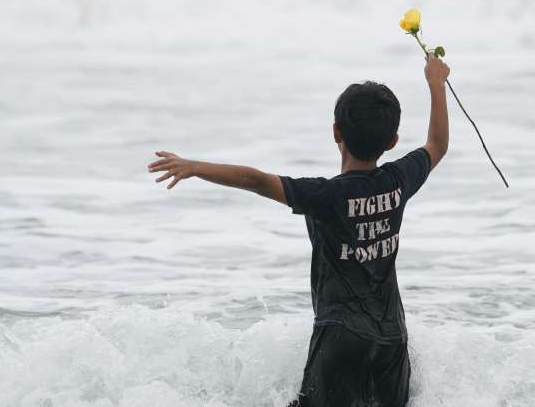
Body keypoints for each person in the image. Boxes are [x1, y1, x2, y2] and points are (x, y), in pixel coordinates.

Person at [147, 54, 451, 407]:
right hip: (392, 340)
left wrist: (195, 166)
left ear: (336, 132)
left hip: (340, 336)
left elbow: (256, 180)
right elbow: (437, 145)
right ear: (393, 141)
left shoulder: (325, 195)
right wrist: (436, 84)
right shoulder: (399, 180)